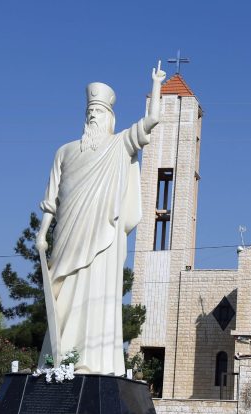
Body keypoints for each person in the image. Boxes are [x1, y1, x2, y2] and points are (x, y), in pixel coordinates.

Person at [35, 63, 167, 375]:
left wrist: (157, 85)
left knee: (95, 293)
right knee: (62, 295)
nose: (93, 115)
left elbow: (152, 120)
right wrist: (42, 233)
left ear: (110, 116)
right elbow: (51, 201)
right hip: (68, 235)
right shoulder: (64, 153)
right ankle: (57, 359)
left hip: (102, 236)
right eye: (90, 111)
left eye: (99, 111)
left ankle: (90, 360)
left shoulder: (118, 144)